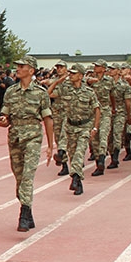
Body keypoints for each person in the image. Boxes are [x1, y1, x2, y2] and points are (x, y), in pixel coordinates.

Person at [0, 56, 55, 230]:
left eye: (22, 66)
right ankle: (28, 211)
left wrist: (51, 145)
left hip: (33, 137)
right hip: (15, 137)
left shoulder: (40, 93)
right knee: (19, 177)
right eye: (18, 66)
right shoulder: (11, 92)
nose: (18, 69)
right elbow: (5, 116)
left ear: (31, 70)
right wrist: (3, 121)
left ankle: (24, 213)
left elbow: (48, 119)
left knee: (28, 176)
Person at [48, 63, 100, 195]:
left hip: (84, 127)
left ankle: (76, 178)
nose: (70, 75)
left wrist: (95, 128)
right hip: (70, 127)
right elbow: (48, 93)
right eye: (70, 73)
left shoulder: (88, 92)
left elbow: (96, 109)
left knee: (79, 153)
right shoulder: (65, 89)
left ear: (81, 76)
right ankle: (78, 181)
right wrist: (57, 82)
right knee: (72, 154)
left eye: (74, 73)